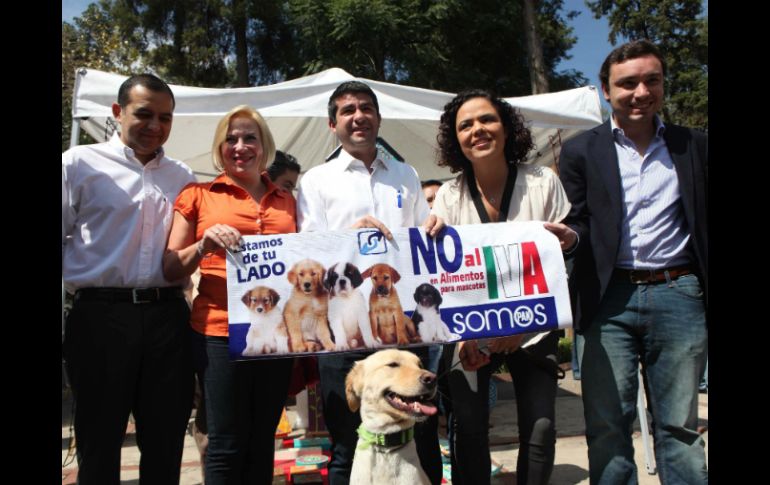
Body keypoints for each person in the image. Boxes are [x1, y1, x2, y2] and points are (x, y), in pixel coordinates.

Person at [559, 39, 708, 484]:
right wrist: (570, 237)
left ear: (662, 84)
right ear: (606, 91)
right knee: (607, 425)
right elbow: (579, 220)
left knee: (680, 426)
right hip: (607, 299)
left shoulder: (695, 146)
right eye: (628, 83)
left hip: (679, 293)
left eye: (651, 80)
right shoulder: (581, 150)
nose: (641, 91)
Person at [297, 80, 444, 485]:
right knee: (346, 443)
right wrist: (349, 235)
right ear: (332, 124)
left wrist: (433, 224)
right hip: (345, 332)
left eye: (366, 108)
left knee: (424, 437)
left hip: (404, 330)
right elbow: (308, 252)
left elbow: (420, 244)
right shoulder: (316, 181)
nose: (358, 116)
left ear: (378, 118)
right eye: (347, 110)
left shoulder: (406, 174)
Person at [431, 89, 577, 485]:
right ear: (455, 138)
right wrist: (464, 338)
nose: (477, 130)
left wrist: (523, 326)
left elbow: (562, 261)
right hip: (469, 336)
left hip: (534, 329)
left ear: (507, 127)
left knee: (542, 427)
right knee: (470, 425)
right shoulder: (448, 195)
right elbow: (445, 278)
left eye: (487, 120)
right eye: (465, 125)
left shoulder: (542, 182)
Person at [62, 73, 196, 484]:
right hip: (99, 318)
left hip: (167, 318)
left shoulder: (182, 175)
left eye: (165, 117)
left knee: (166, 441)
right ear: (118, 113)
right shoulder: (78, 163)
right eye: (144, 114)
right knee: (99, 442)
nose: (155, 125)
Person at [163, 104, 296, 484]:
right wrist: (203, 244)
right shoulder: (198, 195)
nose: (240, 146)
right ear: (219, 148)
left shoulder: (287, 200)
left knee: (262, 439)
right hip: (219, 332)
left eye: (249, 138)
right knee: (224, 441)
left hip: (276, 335)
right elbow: (171, 267)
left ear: (264, 145)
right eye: (230, 139)